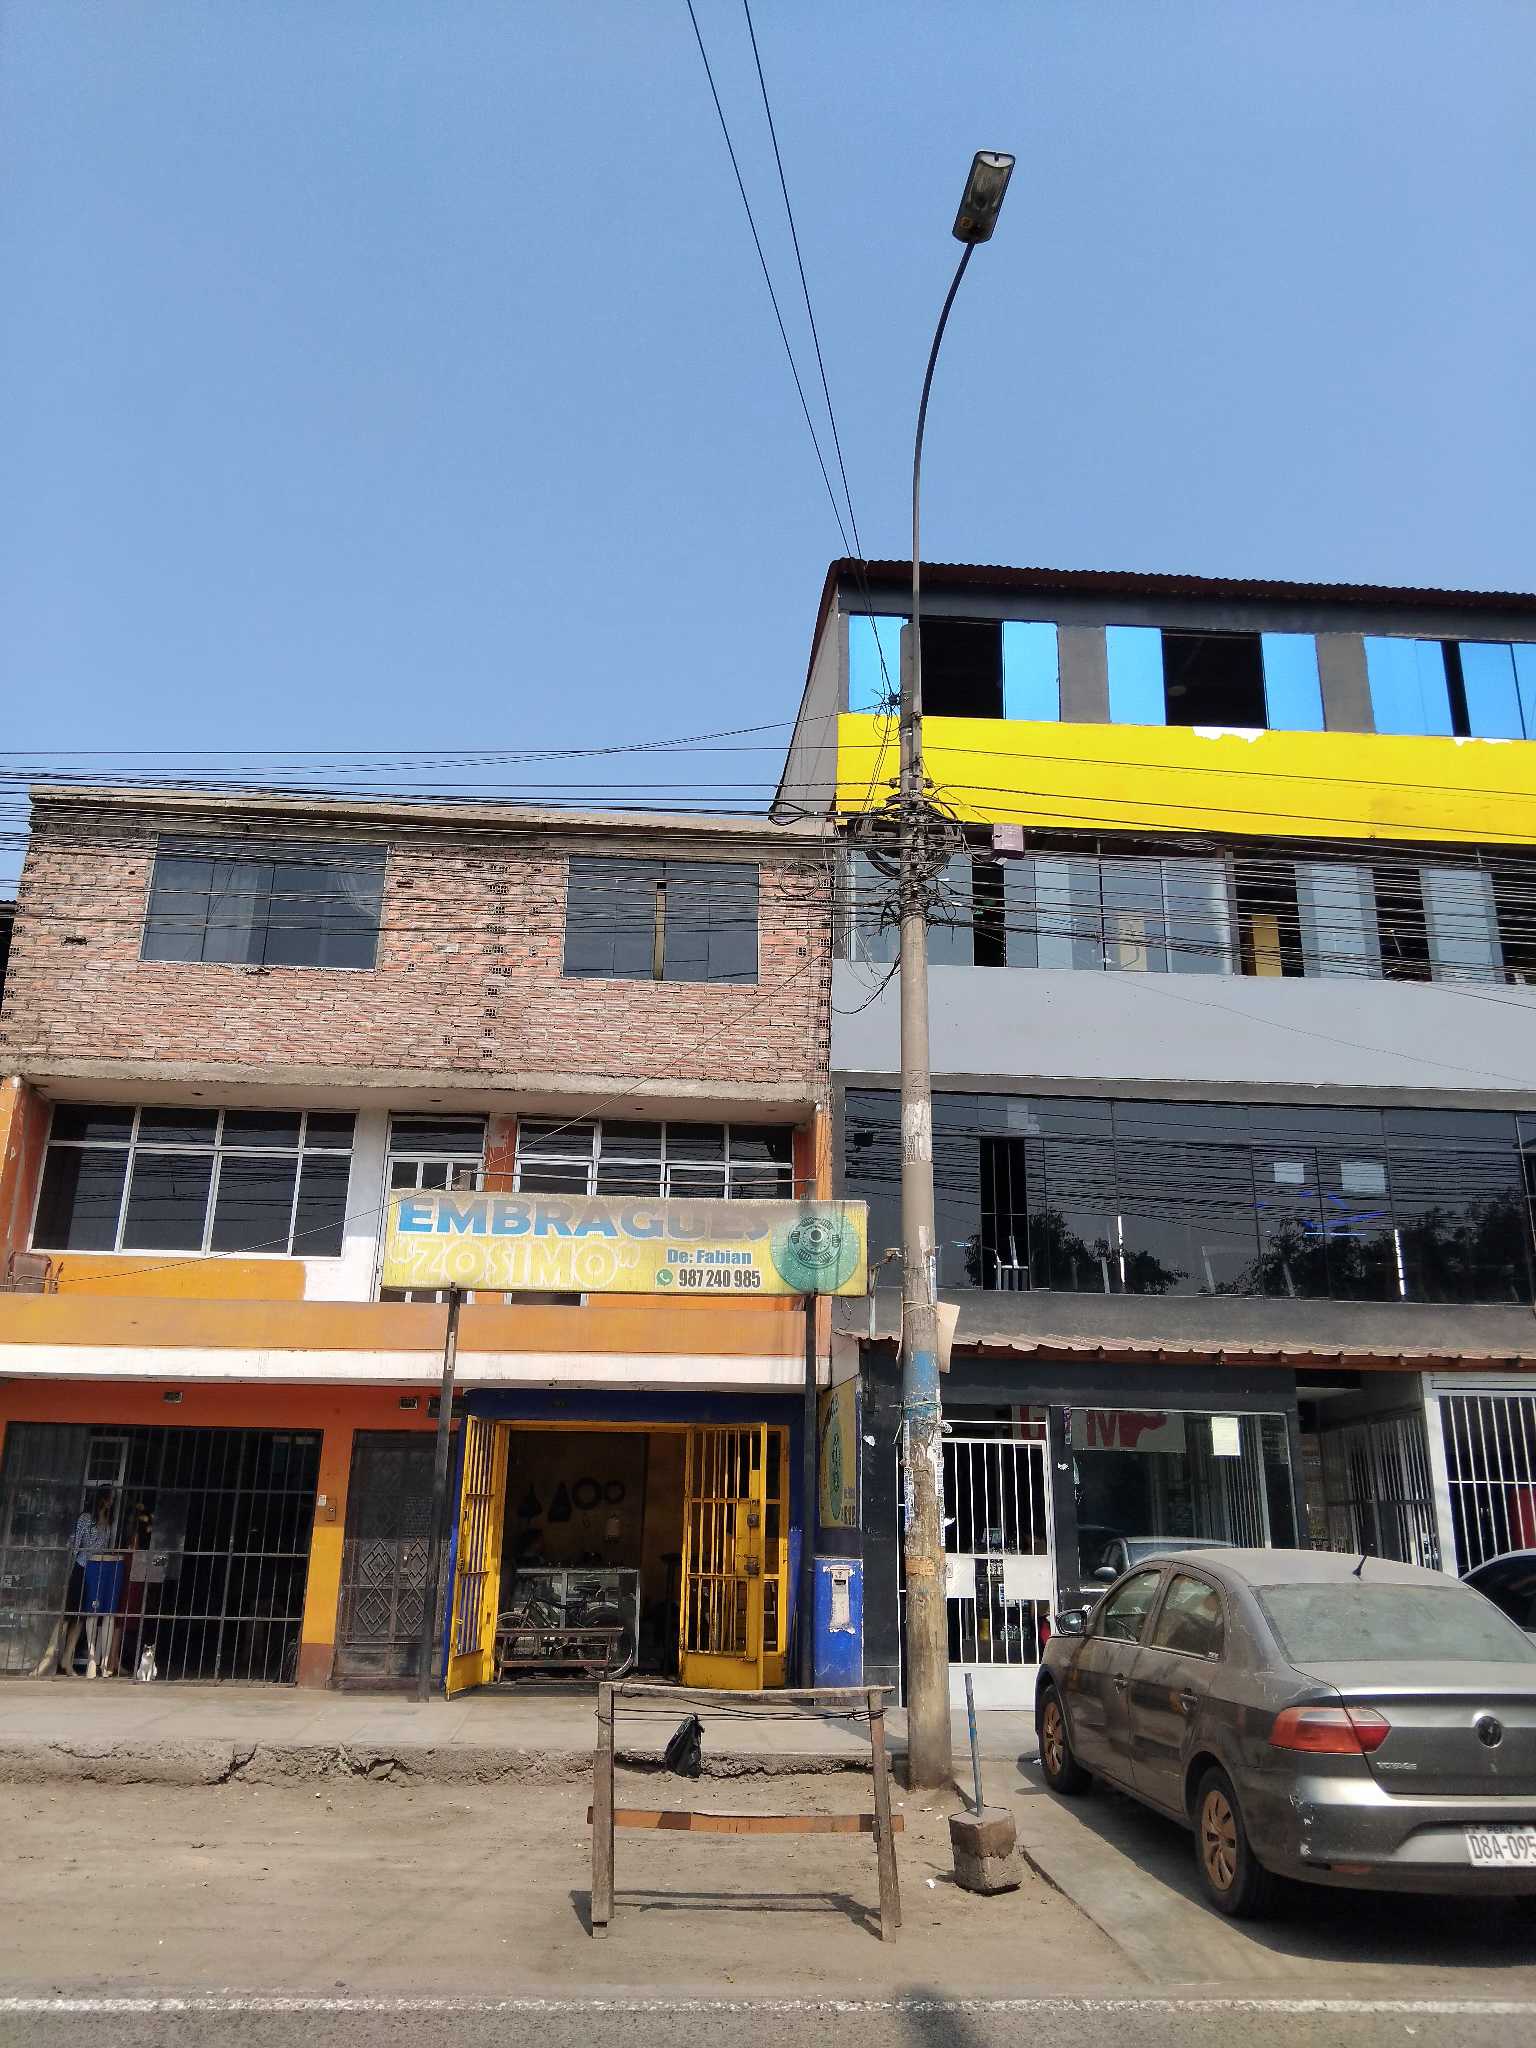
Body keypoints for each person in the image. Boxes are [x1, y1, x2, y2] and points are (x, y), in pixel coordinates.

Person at [57, 1489, 123, 1679]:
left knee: (84, 1616)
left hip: (97, 1570)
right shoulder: (86, 1518)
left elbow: (104, 1547)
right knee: (72, 1615)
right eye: (110, 1498)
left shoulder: (108, 1521)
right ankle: (60, 1658)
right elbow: (75, 1544)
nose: (111, 1502)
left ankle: (67, 1658)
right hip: (82, 1567)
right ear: (102, 1498)